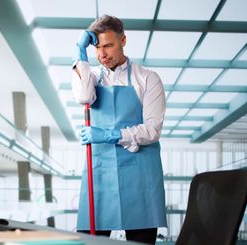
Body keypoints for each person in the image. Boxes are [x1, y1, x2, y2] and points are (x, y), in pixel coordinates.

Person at [71, 15, 167, 244]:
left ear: (123, 40)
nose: (102, 54)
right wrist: (79, 52)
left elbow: (153, 129)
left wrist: (109, 135)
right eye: (97, 47)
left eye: (108, 46)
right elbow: (84, 96)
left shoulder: (148, 78)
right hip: (100, 171)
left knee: (141, 240)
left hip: (140, 174)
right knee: (91, 240)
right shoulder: (92, 77)